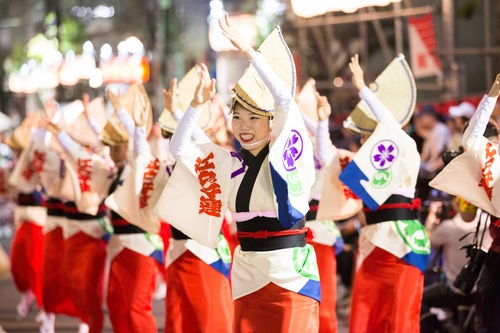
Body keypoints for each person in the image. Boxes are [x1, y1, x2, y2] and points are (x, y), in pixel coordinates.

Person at [159, 14, 319, 332]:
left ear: (272, 121)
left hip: (291, 277)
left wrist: (248, 51)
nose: (243, 127)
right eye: (238, 117)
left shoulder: (288, 157)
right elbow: (179, 149)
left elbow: (285, 99)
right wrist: (192, 107)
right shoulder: (231, 164)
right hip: (248, 279)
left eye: (253, 118)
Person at [339, 54, 430, 333]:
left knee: (400, 321)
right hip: (371, 247)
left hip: (401, 246)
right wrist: (318, 123)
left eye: (370, 133)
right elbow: (326, 155)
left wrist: (363, 89)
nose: (365, 139)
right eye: (364, 135)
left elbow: (389, 127)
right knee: (365, 321)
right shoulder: (362, 160)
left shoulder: (405, 147)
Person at [421, 197, 492, 332]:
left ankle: (442, 327)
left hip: (454, 291)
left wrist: (431, 215)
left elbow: (423, 244)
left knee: (420, 298)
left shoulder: (448, 227)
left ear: (458, 204)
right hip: (479, 293)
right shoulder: (489, 223)